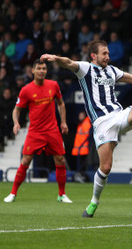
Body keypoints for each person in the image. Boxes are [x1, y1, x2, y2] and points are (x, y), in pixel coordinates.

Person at [41, 40, 132, 218]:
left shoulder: (111, 70)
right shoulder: (86, 68)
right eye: (104, 53)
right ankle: (94, 202)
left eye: (108, 53)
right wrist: (55, 58)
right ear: (94, 55)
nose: (108, 57)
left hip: (118, 114)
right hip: (102, 123)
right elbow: (69, 63)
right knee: (106, 167)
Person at [3, 60, 72, 204]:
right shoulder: (26, 90)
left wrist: (64, 122)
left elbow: (61, 103)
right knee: (26, 160)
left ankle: (62, 194)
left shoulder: (53, 85)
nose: (42, 71)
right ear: (33, 71)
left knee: (60, 160)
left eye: (44, 68)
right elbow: (17, 109)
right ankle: (13, 193)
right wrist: (16, 123)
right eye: (39, 68)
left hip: (52, 130)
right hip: (35, 132)